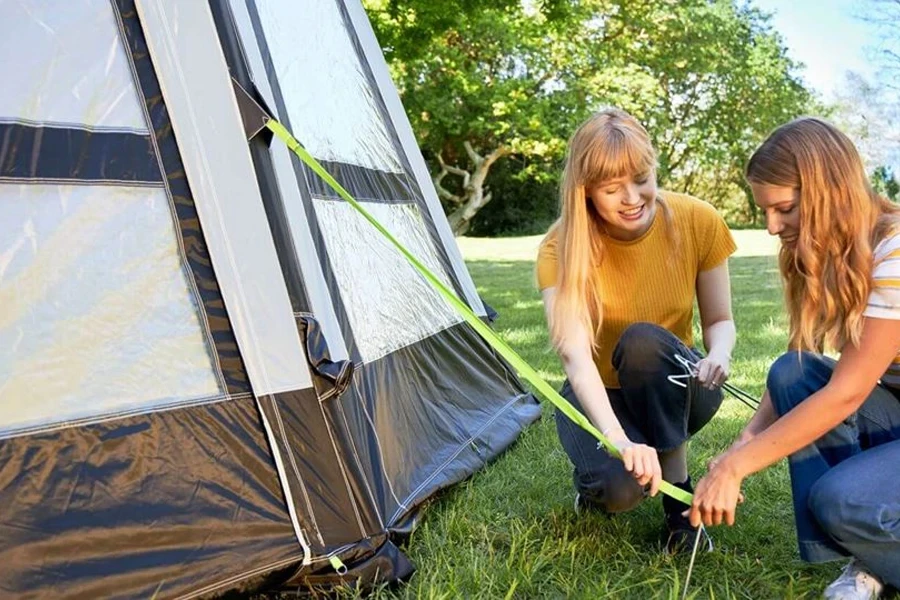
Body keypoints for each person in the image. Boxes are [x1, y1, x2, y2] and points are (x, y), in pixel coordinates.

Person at [689, 117, 900, 599]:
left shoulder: (895, 252)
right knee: (793, 372)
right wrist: (746, 439)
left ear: (828, 192)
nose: (770, 226)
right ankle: (867, 562)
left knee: (838, 500)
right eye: (765, 210)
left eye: (783, 209)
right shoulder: (829, 253)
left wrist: (736, 467)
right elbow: (802, 357)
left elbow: (847, 393)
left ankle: (868, 546)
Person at [536, 107, 737, 553]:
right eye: (612, 189)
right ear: (585, 192)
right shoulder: (559, 247)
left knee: (644, 342)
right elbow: (574, 356)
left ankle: (679, 505)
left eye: (642, 179)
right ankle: (598, 485)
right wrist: (619, 440)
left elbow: (720, 322)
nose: (632, 198)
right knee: (619, 491)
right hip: (600, 392)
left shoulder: (698, 220)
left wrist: (719, 353)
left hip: (678, 385)